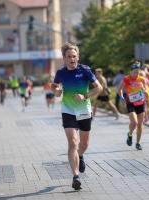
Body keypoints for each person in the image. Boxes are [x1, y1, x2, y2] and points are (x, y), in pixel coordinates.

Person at [51, 43, 102, 190]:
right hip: (68, 111)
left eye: (74, 56)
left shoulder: (85, 70)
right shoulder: (60, 73)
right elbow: (54, 86)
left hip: (83, 110)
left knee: (84, 144)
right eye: (69, 57)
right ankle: (75, 176)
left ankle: (80, 156)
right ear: (64, 59)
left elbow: (99, 88)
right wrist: (56, 91)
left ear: (77, 57)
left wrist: (85, 95)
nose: (72, 59)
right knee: (73, 142)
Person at [118, 62, 147, 150]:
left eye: (137, 72)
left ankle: (138, 143)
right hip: (130, 103)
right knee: (134, 122)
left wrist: (144, 90)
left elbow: (145, 89)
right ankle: (130, 134)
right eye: (134, 72)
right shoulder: (126, 79)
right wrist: (122, 97)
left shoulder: (142, 79)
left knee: (140, 124)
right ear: (130, 71)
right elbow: (120, 90)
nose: (136, 74)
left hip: (140, 103)